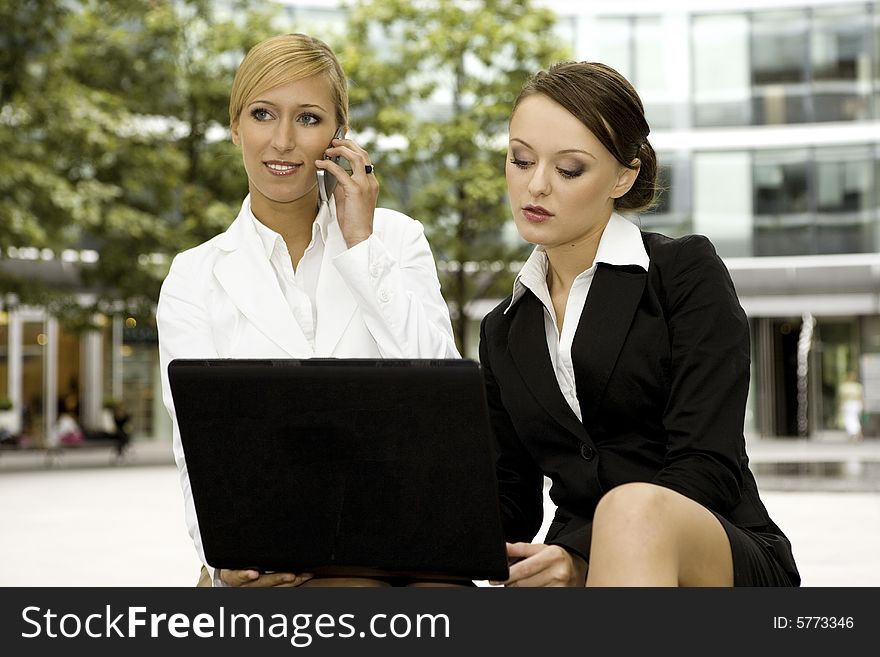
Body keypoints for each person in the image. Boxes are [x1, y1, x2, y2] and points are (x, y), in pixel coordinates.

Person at [479, 61, 800, 587]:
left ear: (623, 177)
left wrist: (580, 556)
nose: (535, 185)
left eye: (569, 169)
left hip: (717, 549)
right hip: (579, 564)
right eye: (520, 159)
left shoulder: (683, 273)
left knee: (632, 511)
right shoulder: (503, 329)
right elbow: (508, 500)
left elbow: (707, 464)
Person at [157, 33, 459, 588]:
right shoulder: (194, 277)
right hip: (274, 544)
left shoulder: (395, 239)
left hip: (403, 533)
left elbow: (439, 396)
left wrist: (363, 246)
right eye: (263, 113)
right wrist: (224, 556)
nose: (282, 141)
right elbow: (194, 447)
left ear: (338, 136)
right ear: (235, 127)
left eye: (309, 118)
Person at [838, 371, 864, 441]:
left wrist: (841, 405)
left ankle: (854, 433)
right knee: (853, 418)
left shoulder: (845, 386)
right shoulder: (857, 386)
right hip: (854, 404)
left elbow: (842, 397)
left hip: (850, 404)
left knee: (850, 418)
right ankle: (855, 433)